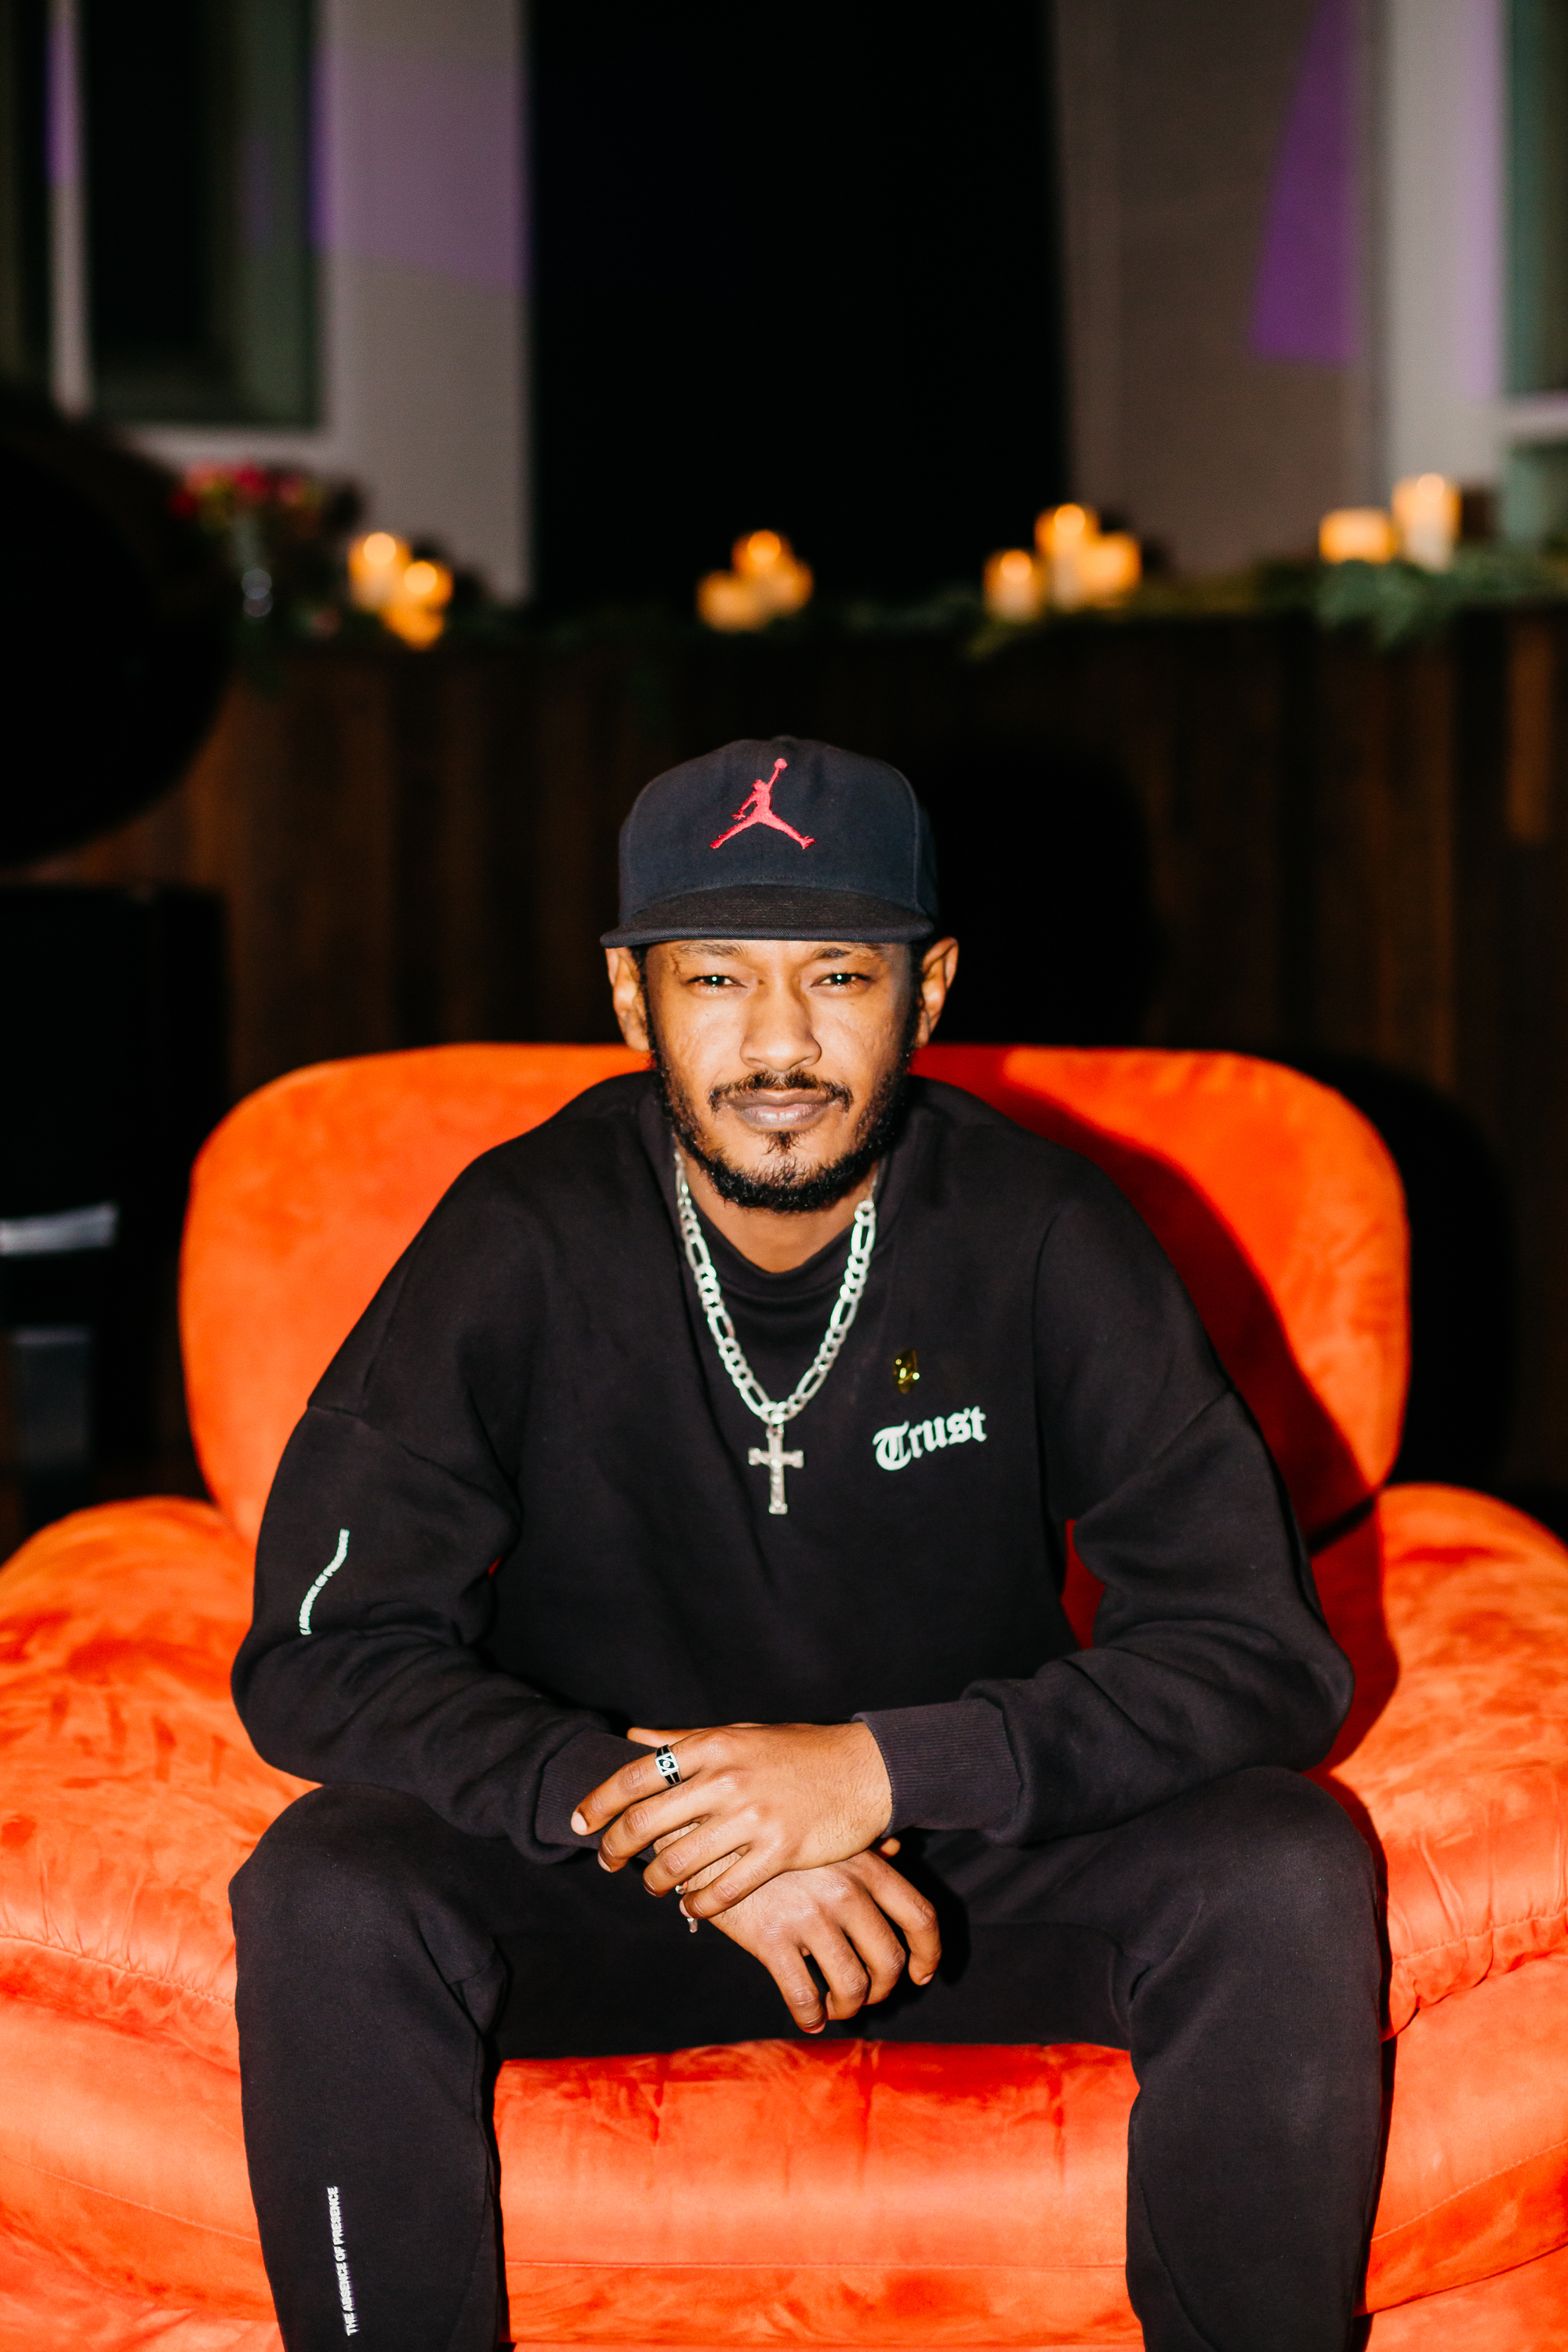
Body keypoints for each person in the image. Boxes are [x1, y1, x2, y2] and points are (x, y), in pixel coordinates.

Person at [230, 737, 1381, 2352]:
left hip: (953, 1869)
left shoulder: (1047, 1232)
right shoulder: (516, 1233)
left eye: (839, 975)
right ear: (633, 1000)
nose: (780, 1044)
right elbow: (320, 1653)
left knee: (1285, 1864)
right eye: (717, 978)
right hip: (605, 1867)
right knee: (328, 1891)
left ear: (929, 991)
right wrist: (664, 1815)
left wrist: (881, 1774)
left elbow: (1258, 1653)